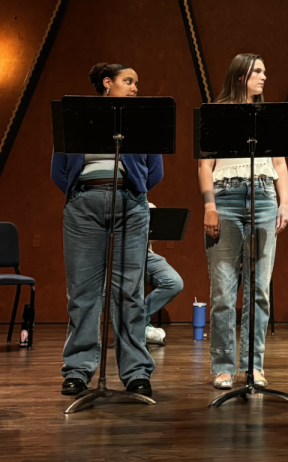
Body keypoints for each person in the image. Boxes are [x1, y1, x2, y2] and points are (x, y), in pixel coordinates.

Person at [51, 63, 163, 398]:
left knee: (129, 293)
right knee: (83, 293)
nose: (134, 88)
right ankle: (78, 370)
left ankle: (135, 372)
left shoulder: (141, 119)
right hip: (84, 203)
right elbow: (59, 168)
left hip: (130, 203)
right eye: (128, 81)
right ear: (107, 83)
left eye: (136, 83)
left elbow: (155, 171)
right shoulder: (78, 116)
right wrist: (81, 193)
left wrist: (133, 188)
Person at [198, 53, 288, 390]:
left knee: (259, 289)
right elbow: (204, 165)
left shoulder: (268, 116)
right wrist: (210, 207)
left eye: (266, 71)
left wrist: (285, 203)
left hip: (264, 196)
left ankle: (254, 365)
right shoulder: (216, 112)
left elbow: (279, 163)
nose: (264, 77)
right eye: (258, 71)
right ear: (240, 76)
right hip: (225, 196)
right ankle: (224, 366)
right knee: (223, 290)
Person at [143, 201, 183, 346]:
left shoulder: (149, 206)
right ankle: (136, 328)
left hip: (145, 254)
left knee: (173, 282)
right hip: (115, 254)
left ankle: (136, 324)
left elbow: (155, 235)